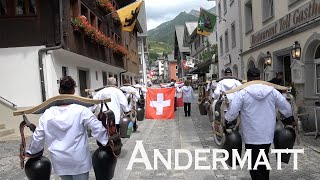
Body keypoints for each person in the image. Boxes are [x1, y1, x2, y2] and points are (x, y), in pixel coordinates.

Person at [26, 76, 108, 180]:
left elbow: (38, 136)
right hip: (79, 159)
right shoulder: (81, 110)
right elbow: (98, 128)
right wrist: (105, 141)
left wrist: (33, 151)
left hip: (60, 160)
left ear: (60, 91)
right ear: (73, 91)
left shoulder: (47, 114)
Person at [225, 68, 293, 180]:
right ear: (260, 77)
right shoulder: (272, 91)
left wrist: (227, 120)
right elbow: (286, 108)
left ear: (248, 78)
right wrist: (288, 117)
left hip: (250, 135)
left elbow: (232, 113)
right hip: (267, 134)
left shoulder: (242, 92)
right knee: (264, 158)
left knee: (253, 161)